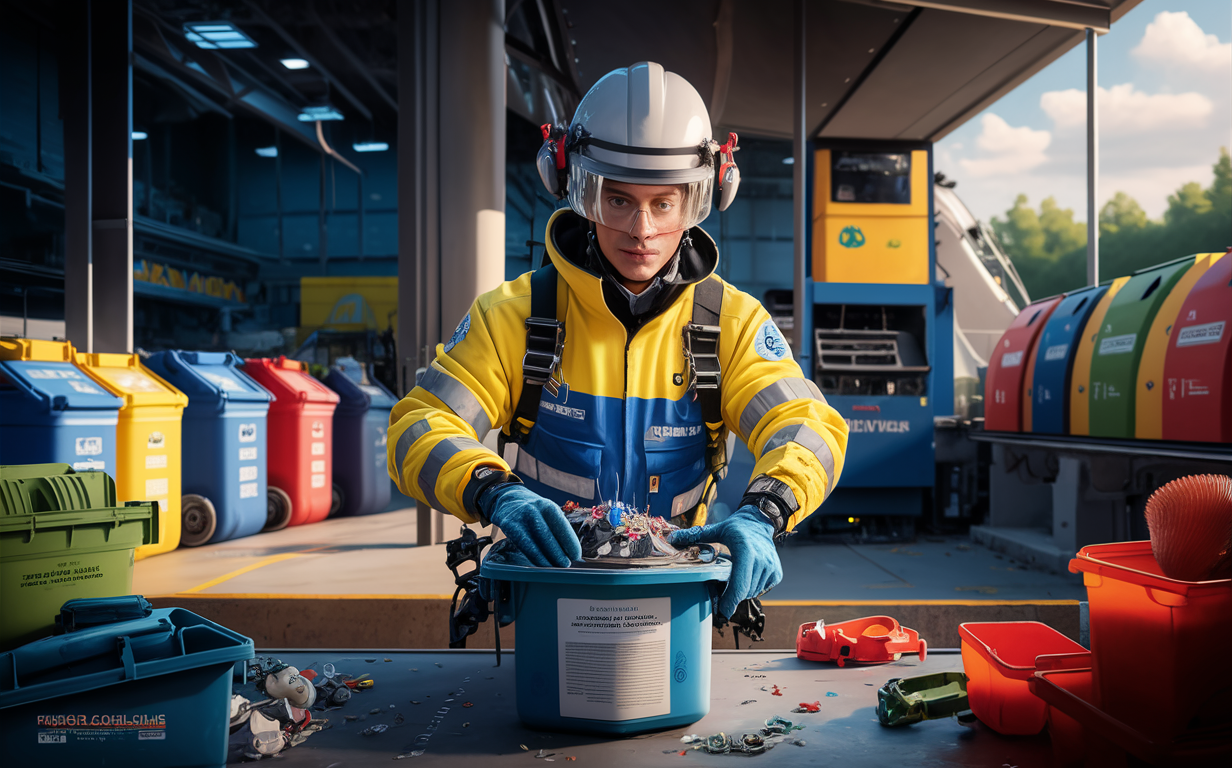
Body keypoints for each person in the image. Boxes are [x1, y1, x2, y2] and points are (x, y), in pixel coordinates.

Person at [389, 62, 848, 619]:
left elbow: (809, 426)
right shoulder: (510, 318)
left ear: (700, 198)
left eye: (664, 203)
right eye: (619, 199)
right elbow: (419, 425)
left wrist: (763, 513)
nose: (642, 229)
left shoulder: (732, 323)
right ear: (579, 192)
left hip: (678, 596)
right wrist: (493, 490)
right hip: (549, 593)